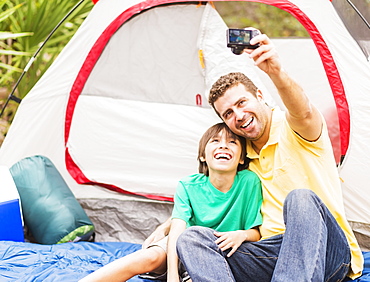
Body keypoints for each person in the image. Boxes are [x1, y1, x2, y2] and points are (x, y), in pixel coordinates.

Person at [149, 29, 364, 281]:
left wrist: (276, 72)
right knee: (193, 238)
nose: (238, 115)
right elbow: (208, 194)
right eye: (228, 113)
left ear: (260, 96)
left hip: (326, 249)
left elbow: (303, 112)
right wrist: (171, 223)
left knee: (301, 199)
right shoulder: (241, 156)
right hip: (270, 254)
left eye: (241, 103)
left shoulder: (295, 128)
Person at [79, 122, 263, 282]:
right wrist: (172, 275)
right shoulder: (188, 185)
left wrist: (242, 235)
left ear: (241, 158)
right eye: (215, 141)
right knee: (148, 257)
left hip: (218, 254)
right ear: (203, 156)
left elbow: (255, 232)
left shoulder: (249, 182)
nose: (223, 146)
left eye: (232, 142)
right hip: (181, 247)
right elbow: (177, 230)